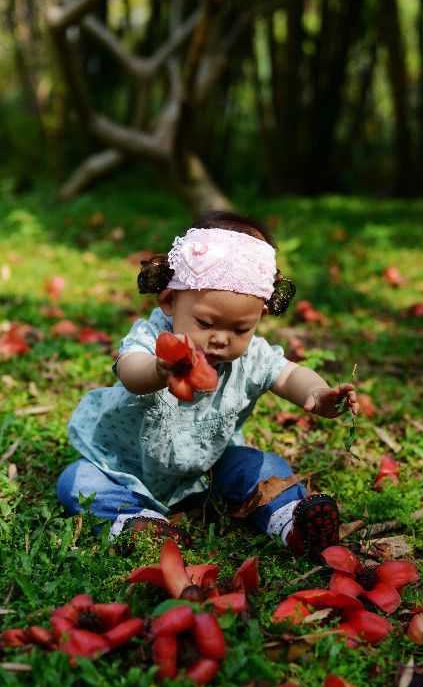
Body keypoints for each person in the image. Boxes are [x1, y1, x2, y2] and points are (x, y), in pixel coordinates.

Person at [57, 211, 359, 561]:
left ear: (259, 316)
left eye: (241, 329)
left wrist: (315, 393)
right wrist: (159, 369)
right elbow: (130, 371)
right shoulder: (152, 337)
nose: (220, 340)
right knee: (76, 481)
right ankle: (135, 521)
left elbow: (289, 374)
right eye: (205, 322)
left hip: (206, 472)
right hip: (123, 468)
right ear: (170, 301)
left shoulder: (251, 357)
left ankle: (290, 523)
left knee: (265, 467)